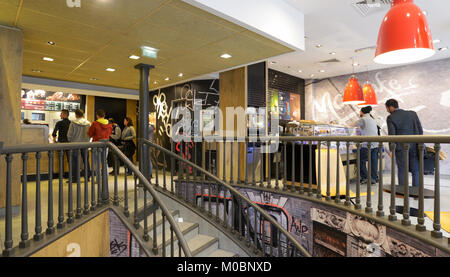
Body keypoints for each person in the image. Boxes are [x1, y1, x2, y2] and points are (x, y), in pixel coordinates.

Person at [385, 99, 423, 187]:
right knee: (415, 170)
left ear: (390, 107)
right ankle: (416, 192)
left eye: (387, 108)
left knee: (402, 170)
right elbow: (420, 130)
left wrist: (391, 150)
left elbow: (392, 135)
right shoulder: (412, 114)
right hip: (414, 145)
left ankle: (403, 192)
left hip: (400, 148)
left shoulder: (391, 117)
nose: (387, 111)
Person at [352, 106, 379, 184]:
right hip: (375, 144)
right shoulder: (372, 119)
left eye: (360, 112)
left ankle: (365, 177)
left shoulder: (363, 119)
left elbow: (351, 125)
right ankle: (374, 178)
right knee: (373, 162)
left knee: (361, 161)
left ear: (362, 112)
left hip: (367, 144)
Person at [88, 109, 113, 183]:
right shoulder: (109, 124)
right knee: (104, 161)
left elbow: (90, 133)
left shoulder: (95, 123)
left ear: (97, 116)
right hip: (106, 145)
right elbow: (110, 134)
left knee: (97, 162)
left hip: (96, 144)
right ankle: (106, 178)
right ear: (104, 116)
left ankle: (98, 179)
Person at [67, 109, 91, 182]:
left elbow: (69, 135)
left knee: (74, 161)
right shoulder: (88, 123)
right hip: (85, 144)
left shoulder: (73, 123)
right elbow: (89, 134)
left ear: (76, 115)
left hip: (75, 144)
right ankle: (87, 177)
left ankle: (75, 178)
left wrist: (70, 140)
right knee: (86, 161)